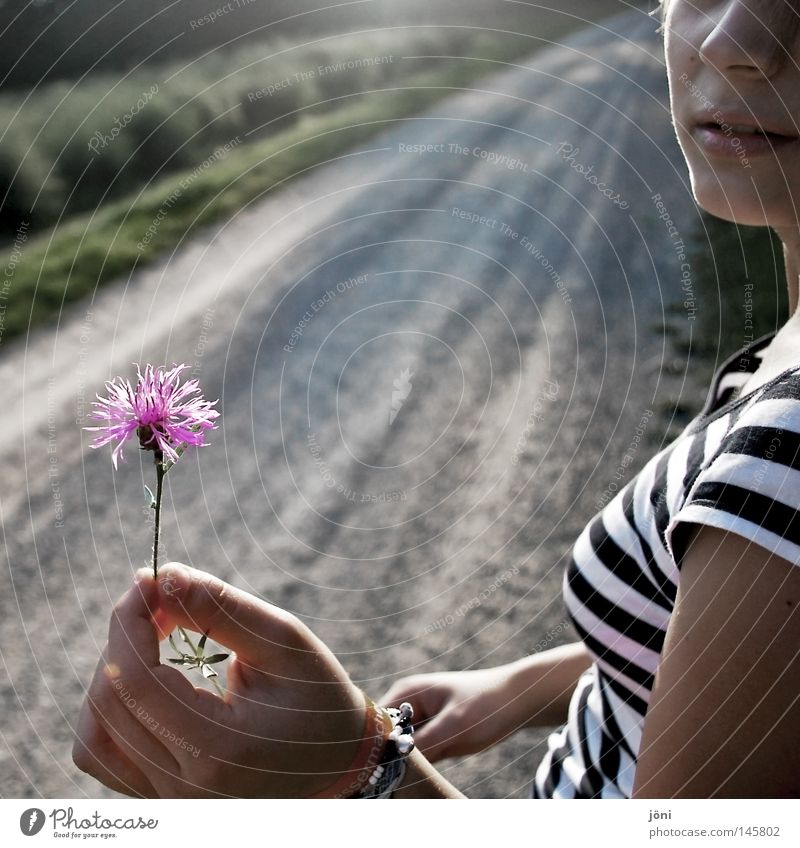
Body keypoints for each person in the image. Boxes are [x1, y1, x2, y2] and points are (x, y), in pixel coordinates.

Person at [73, 0, 800, 799]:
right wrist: (523, 688)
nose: (733, 41)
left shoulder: (785, 457)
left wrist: (359, 773)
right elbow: (700, 641)